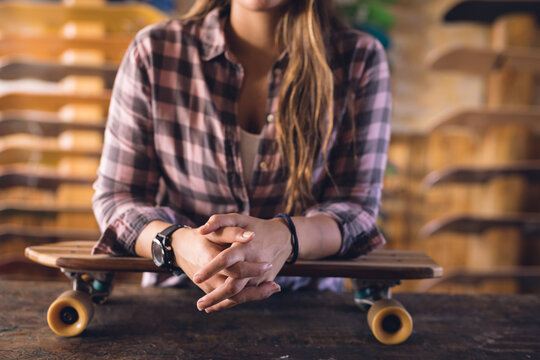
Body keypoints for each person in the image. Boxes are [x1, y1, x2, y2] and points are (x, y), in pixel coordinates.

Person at [92, 0, 391, 314]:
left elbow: (356, 209)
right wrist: (176, 244)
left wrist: (287, 236)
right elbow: (118, 198)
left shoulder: (359, 59)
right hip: (175, 307)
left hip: (312, 310)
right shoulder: (154, 51)